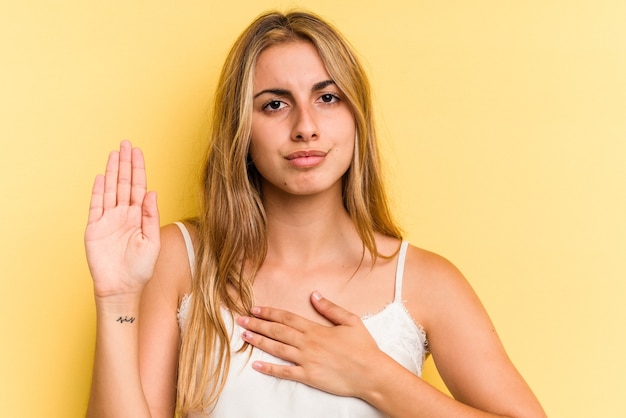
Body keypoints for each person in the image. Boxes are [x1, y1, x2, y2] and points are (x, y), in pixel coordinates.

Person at [84, 10, 546, 418]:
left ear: (355, 116)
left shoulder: (426, 282)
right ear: (241, 131)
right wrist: (117, 301)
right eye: (274, 104)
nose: (305, 127)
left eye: (327, 98)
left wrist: (376, 378)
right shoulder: (179, 260)